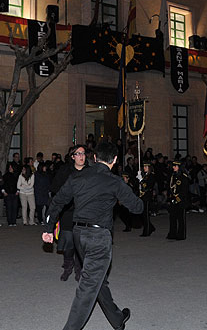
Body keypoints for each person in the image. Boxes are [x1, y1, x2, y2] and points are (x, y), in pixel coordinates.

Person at [42, 141, 142, 330]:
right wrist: (134, 188)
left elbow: (57, 201)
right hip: (98, 238)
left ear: (94, 158)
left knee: (97, 279)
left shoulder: (77, 177)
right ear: (114, 160)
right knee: (88, 287)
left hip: (79, 235)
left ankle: (117, 319)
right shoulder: (114, 181)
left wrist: (48, 228)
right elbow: (137, 207)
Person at [50, 144, 88, 281]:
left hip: (84, 213)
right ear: (72, 157)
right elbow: (55, 189)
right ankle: (68, 267)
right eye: (78, 154)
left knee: (81, 243)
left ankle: (79, 270)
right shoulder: (65, 171)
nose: (81, 156)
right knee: (68, 243)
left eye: (83, 153)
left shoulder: (90, 171)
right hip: (68, 212)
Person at [166, 161, 188, 240]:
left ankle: (181, 235)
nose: (173, 167)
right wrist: (170, 197)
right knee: (172, 217)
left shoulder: (183, 176)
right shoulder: (173, 176)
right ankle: (172, 233)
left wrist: (178, 198)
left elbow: (184, 190)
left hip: (180, 200)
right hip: (173, 199)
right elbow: (170, 187)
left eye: (175, 166)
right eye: (173, 166)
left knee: (181, 218)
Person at [138, 162, 156, 237]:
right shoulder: (145, 175)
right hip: (142, 196)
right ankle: (151, 227)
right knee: (142, 214)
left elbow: (148, 186)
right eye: (144, 166)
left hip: (147, 197)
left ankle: (147, 230)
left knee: (145, 214)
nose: (144, 168)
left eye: (146, 166)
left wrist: (141, 180)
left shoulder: (151, 175)